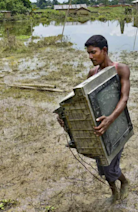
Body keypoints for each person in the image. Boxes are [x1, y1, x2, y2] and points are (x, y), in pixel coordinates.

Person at [57, 35, 131, 203]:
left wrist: (110, 119)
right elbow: (85, 100)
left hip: (115, 124)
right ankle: (114, 192)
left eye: (93, 52)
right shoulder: (92, 73)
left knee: (110, 166)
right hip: (99, 126)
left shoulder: (121, 69)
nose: (90, 57)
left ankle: (124, 183)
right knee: (102, 165)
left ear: (104, 50)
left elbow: (124, 99)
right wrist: (67, 120)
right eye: (88, 53)